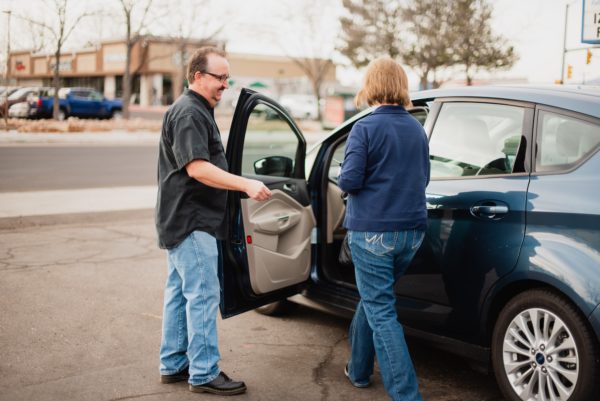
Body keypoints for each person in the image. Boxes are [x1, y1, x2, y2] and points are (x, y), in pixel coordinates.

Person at [155, 46, 272, 396]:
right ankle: (204, 372)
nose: (225, 84)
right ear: (197, 77)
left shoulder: (194, 110)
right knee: (203, 295)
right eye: (220, 77)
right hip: (192, 222)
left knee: (180, 294)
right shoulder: (190, 113)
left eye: (227, 77)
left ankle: (173, 363)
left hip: (180, 219)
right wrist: (246, 183)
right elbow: (198, 168)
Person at [337, 57, 430, 401]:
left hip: (373, 232)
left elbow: (349, 179)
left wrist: (343, 179)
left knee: (382, 312)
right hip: (412, 232)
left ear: (370, 86)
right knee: (374, 299)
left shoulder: (364, 128)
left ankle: (407, 396)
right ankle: (359, 370)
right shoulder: (417, 129)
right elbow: (424, 178)